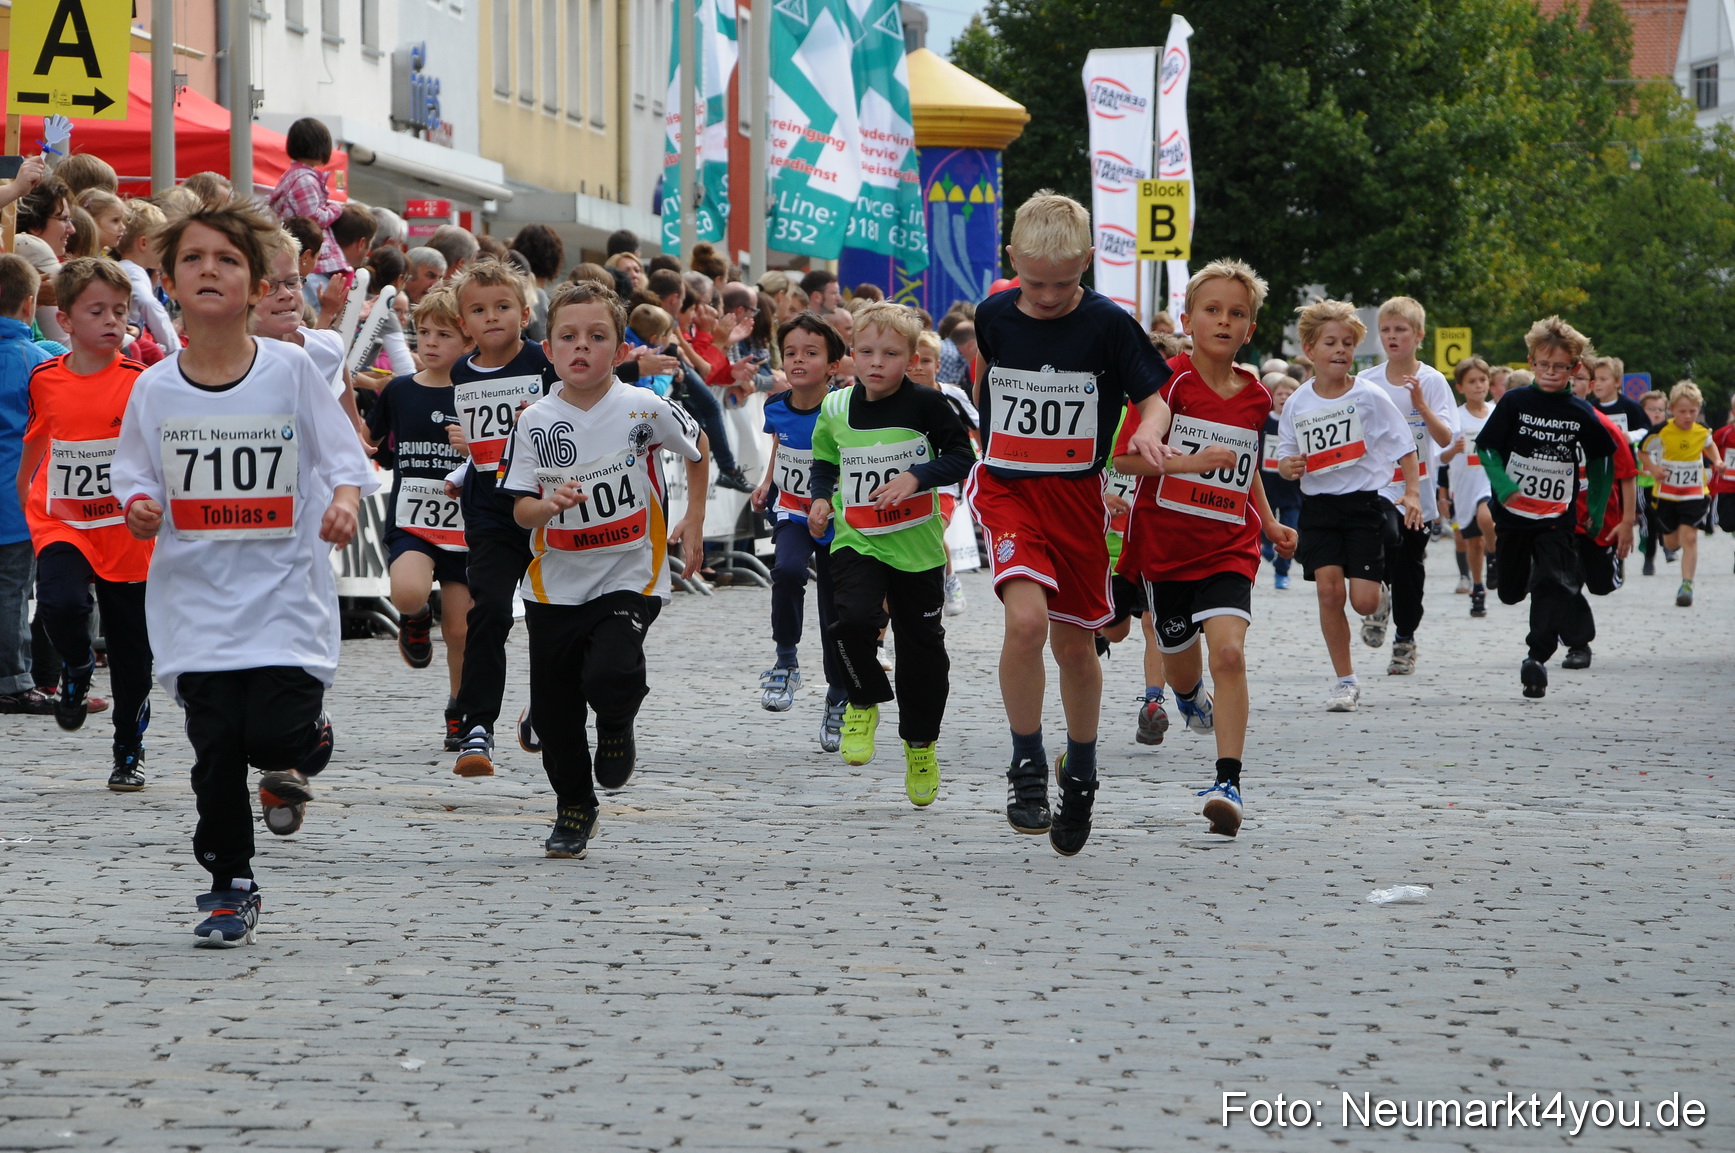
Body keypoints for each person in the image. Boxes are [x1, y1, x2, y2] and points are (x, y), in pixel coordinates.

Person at [110, 198, 373, 947]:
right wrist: (139, 505)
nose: (209, 270)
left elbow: (340, 454)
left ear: (257, 284)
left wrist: (346, 502)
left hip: (284, 591)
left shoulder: (290, 370)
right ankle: (230, 881)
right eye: (193, 258)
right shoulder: (154, 387)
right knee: (216, 748)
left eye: (227, 259)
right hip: (196, 599)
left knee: (273, 732)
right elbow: (135, 472)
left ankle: (299, 743)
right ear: (168, 280)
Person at [964, 190, 1176, 856]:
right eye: (1034, 282)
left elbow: (1155, 396)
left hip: (1077, 499)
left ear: (1087, 261)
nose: (1050, 296)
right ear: (1011, 263)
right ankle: (1026, 762)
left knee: (1075, 647)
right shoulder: (993, 314)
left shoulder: (1108, 323)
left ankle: (1079, 768)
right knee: (1025, 623)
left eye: (1064, 282)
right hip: (1008, 489)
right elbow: (989, 391)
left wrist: (1146, 432)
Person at [500, 280, 707, 858]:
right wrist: (548, 505)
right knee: (557, 711)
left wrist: (693, 517)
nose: (581, 347)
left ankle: (616, 722)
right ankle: (574, 807)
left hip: (630, 570)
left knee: (611, 675)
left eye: (597, 337)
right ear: (549, 350)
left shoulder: (645, 408)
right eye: (568, 337)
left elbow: (699, 446)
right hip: (553, 583)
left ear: (620, 350)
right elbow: (519, 508)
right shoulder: (535, 421)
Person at [1111, 260, 1296, 838]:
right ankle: (1189, 699)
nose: (1223, 320)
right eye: (1212, 310)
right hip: (1164, 550)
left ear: (1250, 329)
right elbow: (1124, 459)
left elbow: (1244, 468)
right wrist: (1190, 462)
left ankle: (1228, 782)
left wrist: (1266, 520)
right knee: (1182, 667)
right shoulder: (1165, 382)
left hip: (1228, 546)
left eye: (1236, 313)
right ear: (1188, 320)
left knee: (1231, 655)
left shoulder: (1256, 394)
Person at [808, 302, 975, 807]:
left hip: (917, 547)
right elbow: (824, 458)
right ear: (850, 355)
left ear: (912, 357)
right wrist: (819, 497)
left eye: (891, 353)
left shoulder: (927, 405)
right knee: (852, 620)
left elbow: (962, 457)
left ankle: (920, 745)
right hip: (856, 538)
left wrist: (917, 476)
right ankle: (863, 699)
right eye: (866, 351)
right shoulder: (835, 406)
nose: (876, 362)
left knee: (922, 649)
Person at [15, 258, 154, 787]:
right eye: (96, 311)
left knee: (132, 654)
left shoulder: (141, 381)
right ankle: (74, 670)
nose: (112, 321)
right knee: (60, 604)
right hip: (64, 523)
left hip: (125, 531)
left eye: (120, 311)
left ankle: (128, 749)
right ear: (66, 320)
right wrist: (25, 491)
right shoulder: (45, 378)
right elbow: (37, 439)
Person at [1274, 300, 1421, 712]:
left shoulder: (1369, 396)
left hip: (1363, 508)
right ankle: (1345, 680)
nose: (1340, 351)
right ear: (1309, 349)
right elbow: (1285, 461)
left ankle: (1380, 598)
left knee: (1363, 602)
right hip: (1319, 508)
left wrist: (1411, 493)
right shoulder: (1299, 403)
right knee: (1328, 591)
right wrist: (1290, 465)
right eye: (1331, 343)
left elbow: (1404, 445)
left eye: (1348, 344)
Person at [447, 260, 561, 776]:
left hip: (548, 506)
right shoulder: (460, 371)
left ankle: (545, 704)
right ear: (463, 321)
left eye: (502, 307)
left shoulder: (544, 362)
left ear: (524, 311)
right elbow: (480, 441)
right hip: (489, 508)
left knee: (550, 617)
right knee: (489, 610)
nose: (491, 317)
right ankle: (477, 726)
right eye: (478, 309)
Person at [1474, 317, 1618, 697]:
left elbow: (1605, 459)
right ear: (1531, 362)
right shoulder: (1515, 402)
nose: (1551, 373)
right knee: (1509, 591)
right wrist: (1503, 484)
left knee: (1554, 581)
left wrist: (1599, 507)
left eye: (1560, 367)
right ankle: (1522, 585)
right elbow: (1486, 447)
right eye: (1544, 365)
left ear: (1575, 369)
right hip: (1512, 515)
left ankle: (1536, 658)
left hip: (1557, 515)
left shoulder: (1580, 412)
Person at [365, 287, 473, 749]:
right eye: (423, 332)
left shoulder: (478, 395)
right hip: (413, 519)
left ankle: (460, 708)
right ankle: (414, 617)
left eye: (443, 334)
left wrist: (474, 445)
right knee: (406, 592)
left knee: (461, 629)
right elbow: (369, 440)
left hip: (467, 526)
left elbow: (511, 453)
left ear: (468, 341)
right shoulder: (399, 390)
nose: (429, 342)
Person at [750, 312, 850, 748]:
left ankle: (839, 694)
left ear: (832, 365)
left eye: (811, 353)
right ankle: (785, 661)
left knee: (835, 609)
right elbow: (779, 445)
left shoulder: (843, 408)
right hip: (792, 508)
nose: (798, 360)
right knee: (787, 571)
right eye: (790, 352)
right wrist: (767, 481)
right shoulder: (775, 405)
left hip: (837, 517)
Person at [1354, 297, 1458, 676]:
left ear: (1419, 335)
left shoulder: (1431, 381)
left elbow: (1446, 437)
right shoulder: (1366, 382)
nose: (1392, 337)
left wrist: (1421, 405)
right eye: (1386, 330)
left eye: (1401, 330)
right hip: (1379, 488)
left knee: (1410, 569)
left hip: (1420, 491)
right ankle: (1378, 599)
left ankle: (1405, 639)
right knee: (1384, 538)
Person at [0, 255, 54, 716]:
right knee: (13, 592)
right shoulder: (39, 362)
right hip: (17, 500)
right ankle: (14, 680)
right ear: (29, 305)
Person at [910, 329, 976, 616]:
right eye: (913, 361)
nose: (918, 368)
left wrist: (986, 464)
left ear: (937, 365)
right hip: (905, 482)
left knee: (933, 529)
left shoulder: (952, 395)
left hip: (945, 485)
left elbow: (978, 426)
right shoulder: (895, 397)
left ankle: (949, 581)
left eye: (926, 361)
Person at [1639, 380, 1721, 607]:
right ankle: (1671, 548)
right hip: (1666, 494)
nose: (1688, 416)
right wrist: (1654, 469)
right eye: (1682, 411)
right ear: (1672, 410)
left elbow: (1709, 444)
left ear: (1699, 410)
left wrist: (1717, 461)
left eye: (1693, 411)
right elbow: (1643, 452)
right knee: (1672, 541)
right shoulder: (1661, 431)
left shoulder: (1702, 430)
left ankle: (1687, 585)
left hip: (1694, 492)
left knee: (1690, 537)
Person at [1439, 356, 1498, 617]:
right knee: (1473, 543)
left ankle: (1495, 557)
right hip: (1464, 485)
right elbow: (1440, 458)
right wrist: (1454, 449)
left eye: (1483, 380)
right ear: (1460, 387)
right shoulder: (1455, 419)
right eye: (1472, 382)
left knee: (1486, 517)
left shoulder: (1498, 413)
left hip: (1491, 481)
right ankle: (1477, 587)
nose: (1478, 386)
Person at [267, 118, 346, 283]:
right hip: (307, 256)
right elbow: (313, 218)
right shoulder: (305, 180)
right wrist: (336, 209)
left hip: (296, 252)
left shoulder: (293, 175)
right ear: (322, 147)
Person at [115, 200, 178, 356]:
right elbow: (147, 302)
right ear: (143, 243)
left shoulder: (125, 268)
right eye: (162, 243)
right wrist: (175, 348)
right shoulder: (135, 272)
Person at [1258, 371, 1302, 589]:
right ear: (1272, 397)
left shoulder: (1299, 423)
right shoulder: (1263, 421)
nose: (1284, 397)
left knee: (1290, 528)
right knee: (1262, 525)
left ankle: (1282, 572)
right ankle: (1265, 544)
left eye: (1290, 393)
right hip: (1266, 486)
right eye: (1280, 393)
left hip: (1292, 489)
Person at [1710, 395, 1735, 546]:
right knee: (1727, 524)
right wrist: (1716, 462)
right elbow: (1709, 449)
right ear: (1733, 412)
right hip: (1726, 486)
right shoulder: (1724, 433)